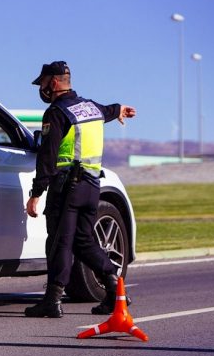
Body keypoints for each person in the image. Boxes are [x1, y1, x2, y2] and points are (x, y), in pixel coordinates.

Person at [24, 61, 135, 318]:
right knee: (83, 240)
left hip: (68, 188)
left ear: (53, 83)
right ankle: (113, 288)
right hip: (92, 187)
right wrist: (120, 109)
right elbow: (107, 111)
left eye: (43, 83)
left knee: (60, 242)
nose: (41, 88)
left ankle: (52, 301)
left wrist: (36, 193)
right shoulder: (91, 107)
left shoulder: (56, 112)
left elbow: (47, 156)